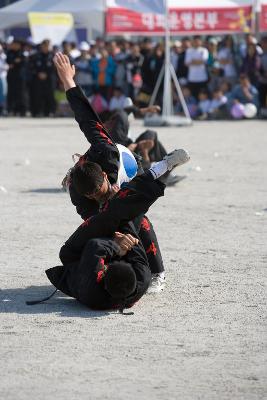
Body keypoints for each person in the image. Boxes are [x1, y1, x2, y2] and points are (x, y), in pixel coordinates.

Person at [53, 52, 165, 292]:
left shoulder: (106, 152)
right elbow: (95, 222)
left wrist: (69, 82)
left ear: (105, 176)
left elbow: (87, 119)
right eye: (92, 196)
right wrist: (115, 238)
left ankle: (158, 272)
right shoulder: (78, 195)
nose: (97, 197)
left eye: (100, 191)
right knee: (112, 223)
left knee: (138, 217)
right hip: (91, 177)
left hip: (130, 166)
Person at [29, 149, 190, 312]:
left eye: (96, 191)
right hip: (114, 228)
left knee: (112, 213)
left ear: (102, 274)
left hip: (74, 255)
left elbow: (94, 245)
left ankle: (160, 171)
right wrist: (126, 239)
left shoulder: (91, 288)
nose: (93, 196)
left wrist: (115, 242)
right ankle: (163, 169)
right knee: (129, 213)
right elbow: (132, 243)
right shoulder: (142, 278)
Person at [29, 39, 56, 117]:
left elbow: (55, 68)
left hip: (49, 79)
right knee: (38, 95)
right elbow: (32, 67)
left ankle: (49, 111)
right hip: (38, 79)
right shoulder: (36, 56)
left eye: (48, 46)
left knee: (50, 96)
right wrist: (38, 73)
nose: (46, 48)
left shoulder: (53, 56)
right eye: (44, 46)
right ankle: (37, 112)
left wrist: (47, 74)